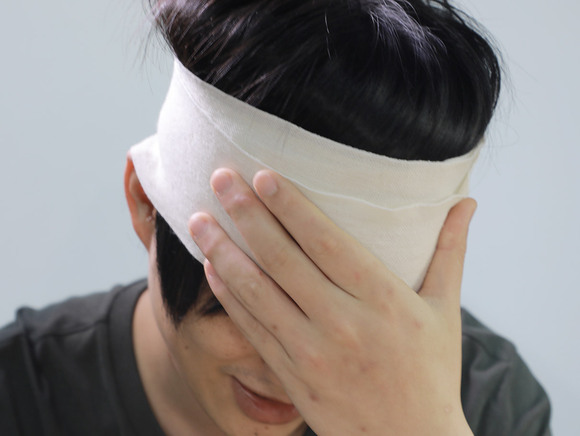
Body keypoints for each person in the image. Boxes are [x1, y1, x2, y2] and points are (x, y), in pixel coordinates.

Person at [0, 0, 551, 435]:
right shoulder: (22, 396)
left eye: (340, 307)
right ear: (146, 205)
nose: (300, 360)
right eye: (247, 300)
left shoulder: (485, 404)